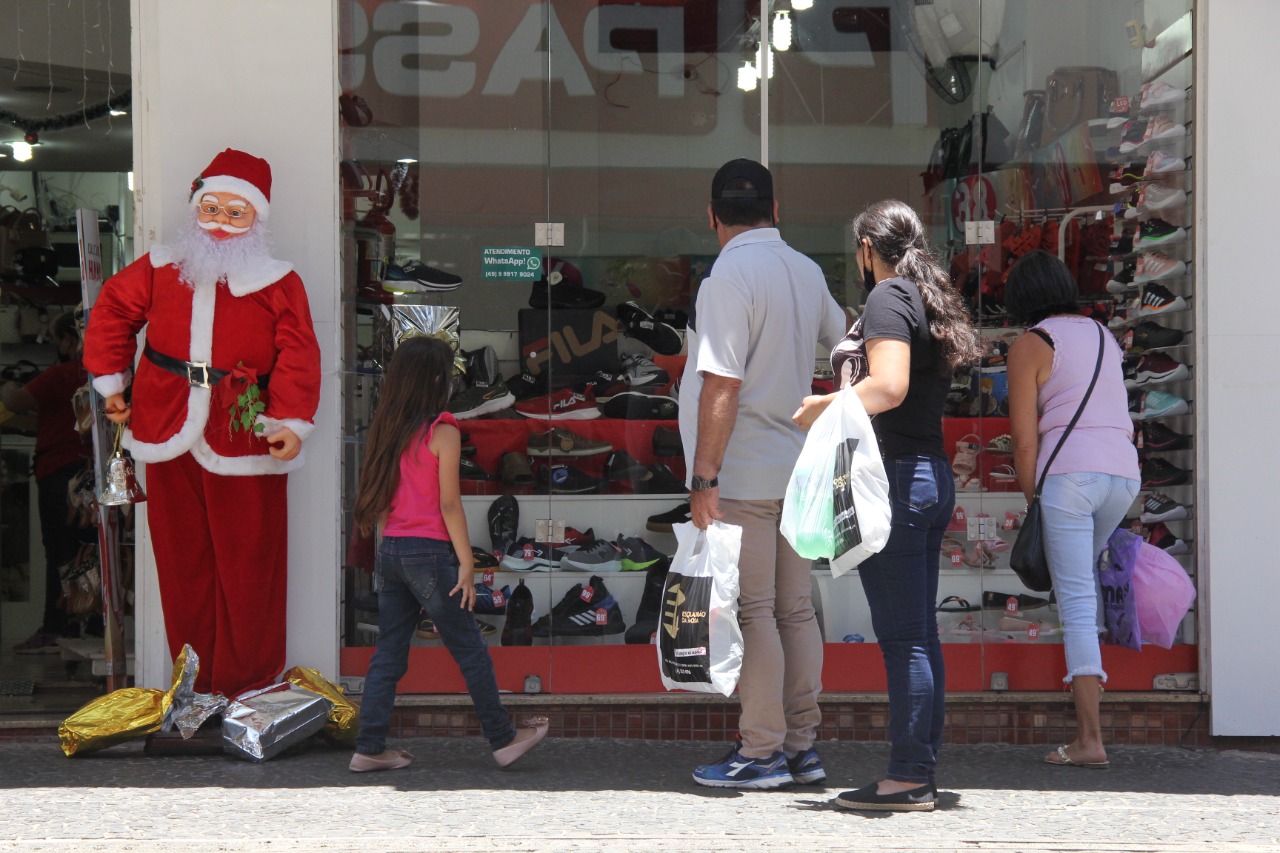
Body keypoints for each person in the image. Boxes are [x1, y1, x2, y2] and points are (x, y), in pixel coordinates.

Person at [82, 148, 322, 698]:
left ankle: (251, 689)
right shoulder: (162, 266)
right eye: (209, 208)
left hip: (245, 437)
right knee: (182, 565)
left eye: (235, 213)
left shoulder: (278, 281)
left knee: (249, 569)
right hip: (166, 427)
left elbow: (299, 353)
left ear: (256, 219)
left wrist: (289, 422)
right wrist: (112, 383)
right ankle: (195, 689)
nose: (218, 222)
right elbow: (114, 310)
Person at [794, 199, 982, 811]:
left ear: (866, 250)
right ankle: (918, 769)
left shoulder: (887, 296)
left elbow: (888, 384)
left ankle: (906, 775)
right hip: (925, 476)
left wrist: (820, 406)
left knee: (904, 637)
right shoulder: (926, 299)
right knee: (918, 634)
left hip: (894, 480)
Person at [680, 158, 847, 789]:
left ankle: (762, 751)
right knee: (796, 610)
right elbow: (850, 345)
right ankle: (802, 747)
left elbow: (721, 382)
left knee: (755, 611)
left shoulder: (727, 275)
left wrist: (704, 478)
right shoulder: (804, 269)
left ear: (712, 215)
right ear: (776, 211)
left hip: (743, 474)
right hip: (799, 469)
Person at [349, 336, 548, 771]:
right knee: (470, 650)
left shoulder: (387, 429)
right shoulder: (442, 430)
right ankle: (503, 738)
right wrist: (466, 563)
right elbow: (449, 504)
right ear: (437, 380)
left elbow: (382, 504)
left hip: (393, 552)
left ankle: (368, 747)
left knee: (389, 654)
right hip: (432, 554)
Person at [1004, 249, 1139, 770]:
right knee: (1084, 585)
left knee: (1077, 601)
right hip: (1122, 475)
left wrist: (1032, 501)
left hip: (1069, 479)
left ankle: (1089, 740)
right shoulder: (1103, 335)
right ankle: (1090, 719)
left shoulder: (1031, 346)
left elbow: (1022, 442)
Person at [3, 312, 93, 652]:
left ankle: (56, 626)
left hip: (59, 473)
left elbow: (15, 402)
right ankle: (89, 622)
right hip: (91, 473)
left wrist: (8, 384)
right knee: (89, 549)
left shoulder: (61, 374)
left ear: (70, 342)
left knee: (59, 550)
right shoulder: (103, 378)